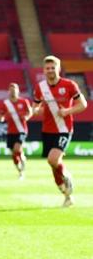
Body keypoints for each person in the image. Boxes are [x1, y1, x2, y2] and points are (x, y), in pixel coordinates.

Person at [32, 55, 88, 207]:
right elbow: (35, 106)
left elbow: (83, 104)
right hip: (47, 130)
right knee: (53, 164)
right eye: (47, 68)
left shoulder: (69, 85)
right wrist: (35, 110)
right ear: (44, 70)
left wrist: (68, 111)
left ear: (59, 68)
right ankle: (66, 194)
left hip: (64, 129)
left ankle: (67, 176)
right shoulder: (40, 87)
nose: (50, 70)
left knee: (53, 159)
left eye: (53, 67)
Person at [0, 83, 33, 179]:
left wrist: (27, 117)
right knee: (14, 154)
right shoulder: (6, 103)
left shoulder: (24, 101)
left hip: (22, 130)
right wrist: (1, 118)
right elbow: (1, 115)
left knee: (17, 149)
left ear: (18, 91)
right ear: (9, 92)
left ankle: (22, 170)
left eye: (14, 90)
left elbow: (30, 112)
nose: (13, 92)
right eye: (11, 90)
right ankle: (20, 170)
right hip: (11, 131)